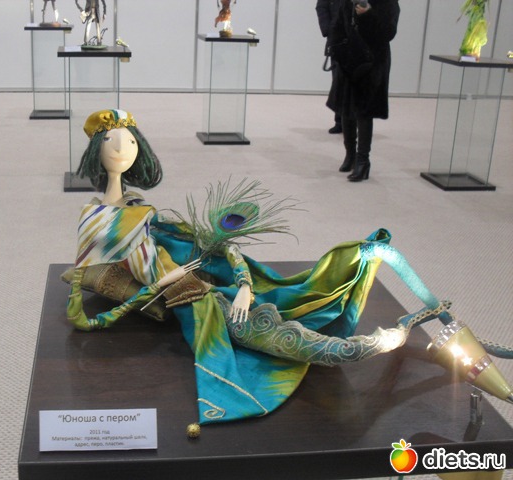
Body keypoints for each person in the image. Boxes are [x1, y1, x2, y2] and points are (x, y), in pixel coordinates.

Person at [66, 109, 511, 428]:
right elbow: (86, 289)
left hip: (212, 280)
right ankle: (404, 331)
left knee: (303, 289)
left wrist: (243, 284)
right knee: (325, 348)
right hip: (194, 297)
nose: (123, 149)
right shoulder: (94, 219)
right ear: (95, 150)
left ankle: (410, 305)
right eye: (112, 141)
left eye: (130, 140)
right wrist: (156, 288)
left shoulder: (147, 211)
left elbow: (219, 247)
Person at [326, 0, 400, 182]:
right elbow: (338, 23)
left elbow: (388, 32)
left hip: (372, 61)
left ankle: (363, 161)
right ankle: (350, 154)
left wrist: (368, 15)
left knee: (364, 111)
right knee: (345, 108)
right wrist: (335, 47)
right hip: (348, 58)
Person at [316, 0, 343, 134]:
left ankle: (355, 122)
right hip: (337, 41)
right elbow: (321, 7)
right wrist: (329, 30)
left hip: (358, 41)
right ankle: (340, 121)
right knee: (338, 82)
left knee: (357, 84)